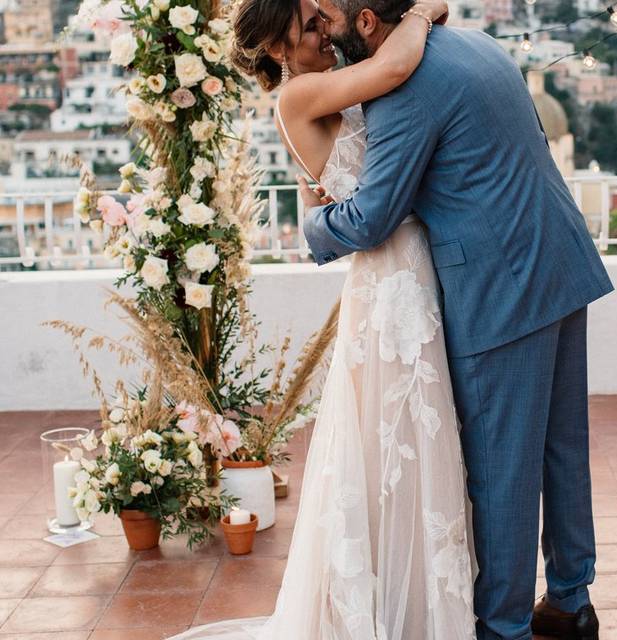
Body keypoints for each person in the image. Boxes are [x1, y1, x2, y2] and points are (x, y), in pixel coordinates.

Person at [298, 0, 614, 637]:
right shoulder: (476, 43)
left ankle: (503, 628)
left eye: (331, 18)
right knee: (561, 448)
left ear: (365, 21)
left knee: (502, 470)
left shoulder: (405, 90)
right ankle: (572, 601)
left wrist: (310, 229)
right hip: (559, 258)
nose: (326, 32)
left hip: (502, 287)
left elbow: (372, 217)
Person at [164, 0, 477, 638]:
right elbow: (393, 72)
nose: (323, 29)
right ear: (278, 47)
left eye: (318, 17)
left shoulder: (325, 91)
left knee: (415, 438)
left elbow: (320, 192)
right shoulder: (300, 94)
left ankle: (415, 597)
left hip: (411, 271)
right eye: (309, 26)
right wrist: (422, 12)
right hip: (391, 282)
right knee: (393, 434)